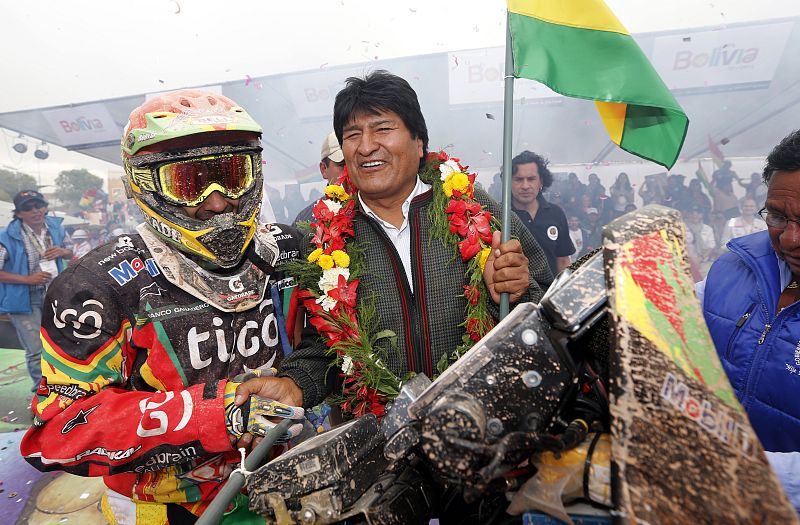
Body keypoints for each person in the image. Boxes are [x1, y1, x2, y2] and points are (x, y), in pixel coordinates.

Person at [20, 90, 307, 524]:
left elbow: (329, 345)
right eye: (189, 182)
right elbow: (59, 430)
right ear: (144, 183)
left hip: (280, 482)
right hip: (165, 503)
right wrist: (217, 412)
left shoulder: (286, 250)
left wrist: (301, 381)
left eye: (232, 175)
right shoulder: (95, 285)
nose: (217, 200)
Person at [233, 70, 552, 416]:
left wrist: (517, 291)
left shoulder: (476, 208)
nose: (366, 146)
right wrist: (295, 385)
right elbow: (324, 347)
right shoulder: (321, 235)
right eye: (352, 134)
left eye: (382, 129)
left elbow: (544, 303)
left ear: (419, 141)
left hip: (480, 421)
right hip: (378, 444)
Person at [699, 129, 800, 513]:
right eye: (777, 216)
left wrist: (726, 471)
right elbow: (665, 325)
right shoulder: (732, 266)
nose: (789, 239)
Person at [0, 190, 72, 391]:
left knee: (60, 345)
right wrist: (27, 279)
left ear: (45, 206)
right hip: (24, 299)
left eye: (38, 205)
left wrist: (62, 251)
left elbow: (71, 250)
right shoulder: (6, 236)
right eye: (27, 208)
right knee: (35, 350)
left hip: (55, 293)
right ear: (19, 213)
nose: (35, 211)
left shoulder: (56, 228)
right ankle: (40, 395)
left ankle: (61, 388)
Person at [510, 150, 574, 275]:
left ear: (541, 181)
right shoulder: (499, 215)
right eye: (518, 179)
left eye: (531, 179)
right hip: (513, 294)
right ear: (509, 182)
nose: (525, 185)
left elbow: (562, 261)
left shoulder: (556, 213)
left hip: (549, 293)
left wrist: (564, 292)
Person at [292, 131, 347, 227]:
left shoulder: (376, 208)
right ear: (324, 169)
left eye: (355, 162)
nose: (349, 170)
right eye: (342, 164)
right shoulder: (306, 221)